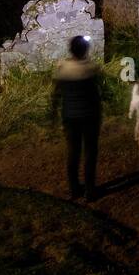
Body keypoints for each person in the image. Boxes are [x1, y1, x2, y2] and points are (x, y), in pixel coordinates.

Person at [49, 35, 103, 201]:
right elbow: (98, 93)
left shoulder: (62, 67)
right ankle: (89, 190)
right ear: (85, 50)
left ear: (71, 49)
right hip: (90, 117)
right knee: (90, 153)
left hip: (70, 117)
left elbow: (56, 94)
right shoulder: (91, 68)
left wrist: (52, 113)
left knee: (73, 153)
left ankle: (74, 189)